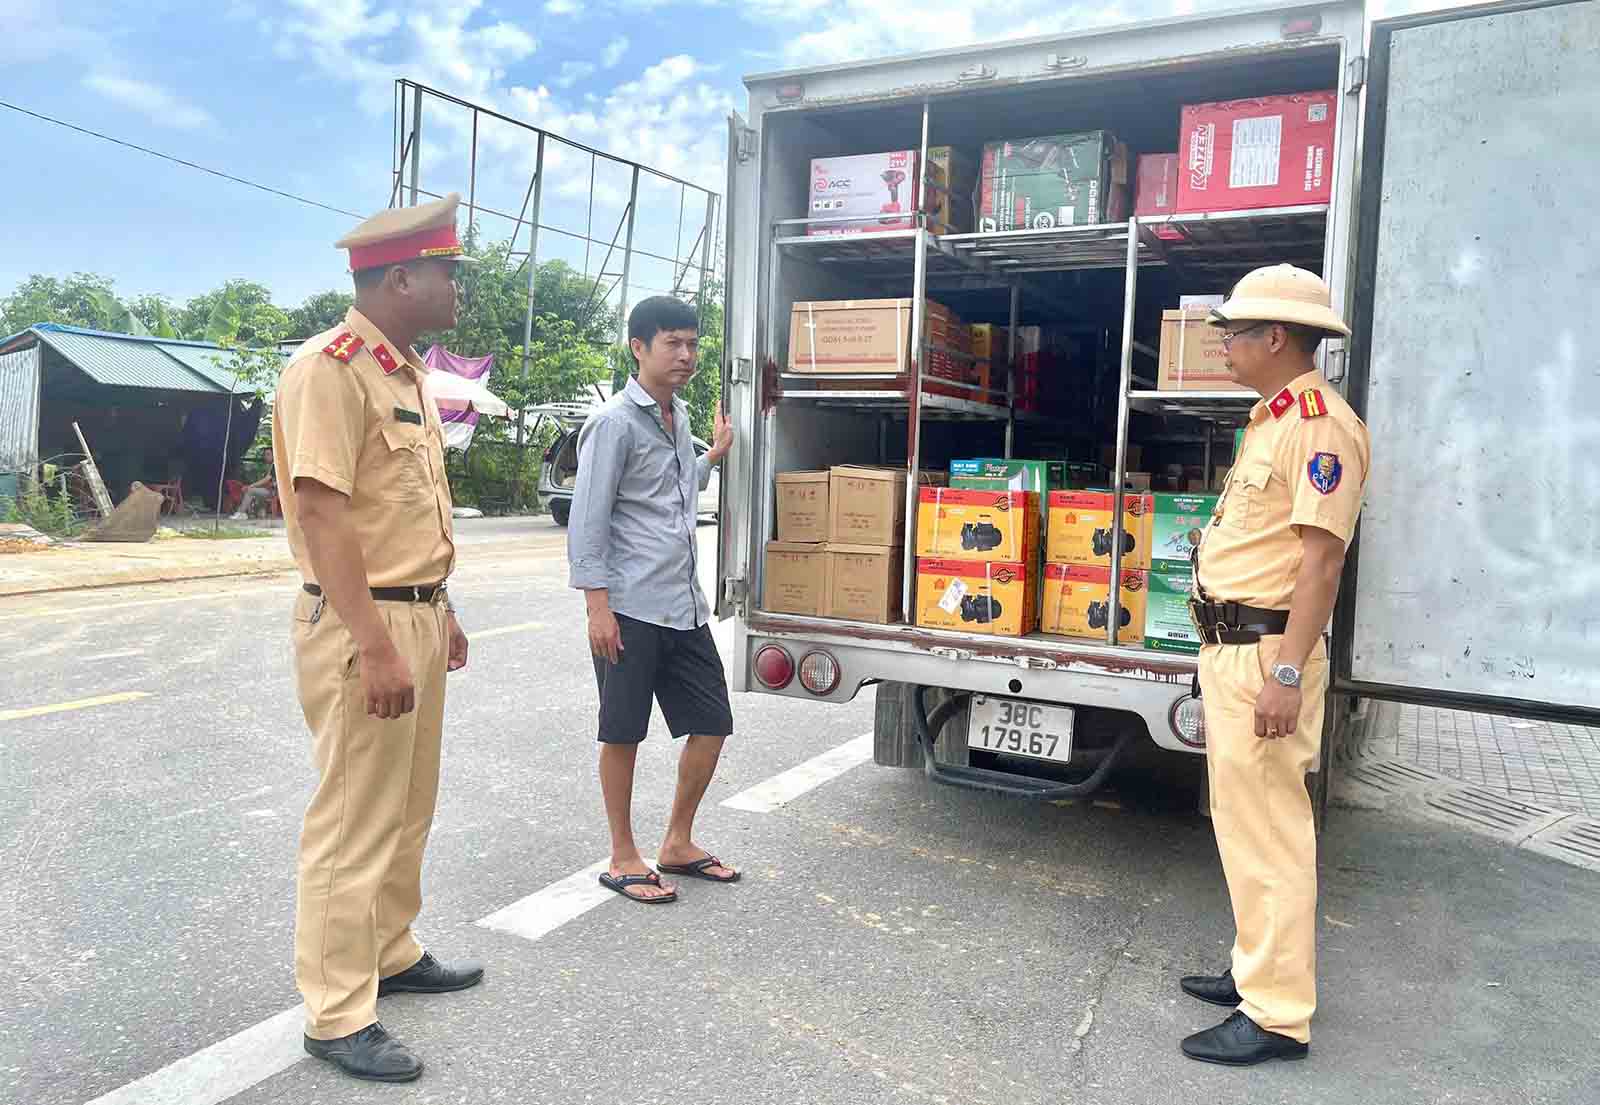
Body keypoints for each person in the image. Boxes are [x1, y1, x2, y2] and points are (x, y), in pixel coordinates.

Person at [272, 193, 480, 1084]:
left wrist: (441, 606)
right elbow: (321, 513)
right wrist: (378, 640)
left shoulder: (404, 374)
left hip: (416, 611)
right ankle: (336, 1010)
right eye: (447, 273)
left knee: (406, 803)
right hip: (365, 622)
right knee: (354, 815)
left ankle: (391, 949)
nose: (457, 287)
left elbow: (402, 508)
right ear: (401, 278)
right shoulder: (332, 368)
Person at [1179, 264, 1371, 1066]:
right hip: (1235, 648)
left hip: (1267, 657)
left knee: (1273, 833)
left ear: (1277, 337)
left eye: (1234, 330)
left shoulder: (1323, 426)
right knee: (1243, 825)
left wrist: (1287, 675)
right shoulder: (1274, 419)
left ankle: (1278, 1015)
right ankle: (1257, 968)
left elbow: (1322, 565)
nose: (1222, 342)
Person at [567, 295, 736, 905]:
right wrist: (597, 607)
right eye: (673, 343)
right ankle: (622, 853)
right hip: (630, 607)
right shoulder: (613, 422)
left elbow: (675, 486)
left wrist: (711, 458)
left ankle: (677, 842)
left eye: (692, 344)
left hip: (681, 605)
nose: (686, 355)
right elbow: (587, 522)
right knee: (623, 731)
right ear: (639, 347)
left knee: (713, 721)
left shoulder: (677, 416)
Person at [230, 447, 277, 520]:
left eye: (268, 454)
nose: (266, 457)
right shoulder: (272, 465)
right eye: (265, 455)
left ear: (274, 455)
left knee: (250, 491)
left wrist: (251, 486)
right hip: (271, 490)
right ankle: (247, 512)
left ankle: (241, 513)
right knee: (249, 490)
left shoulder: (275, 465)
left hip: (274, 492)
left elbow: (266, 480)